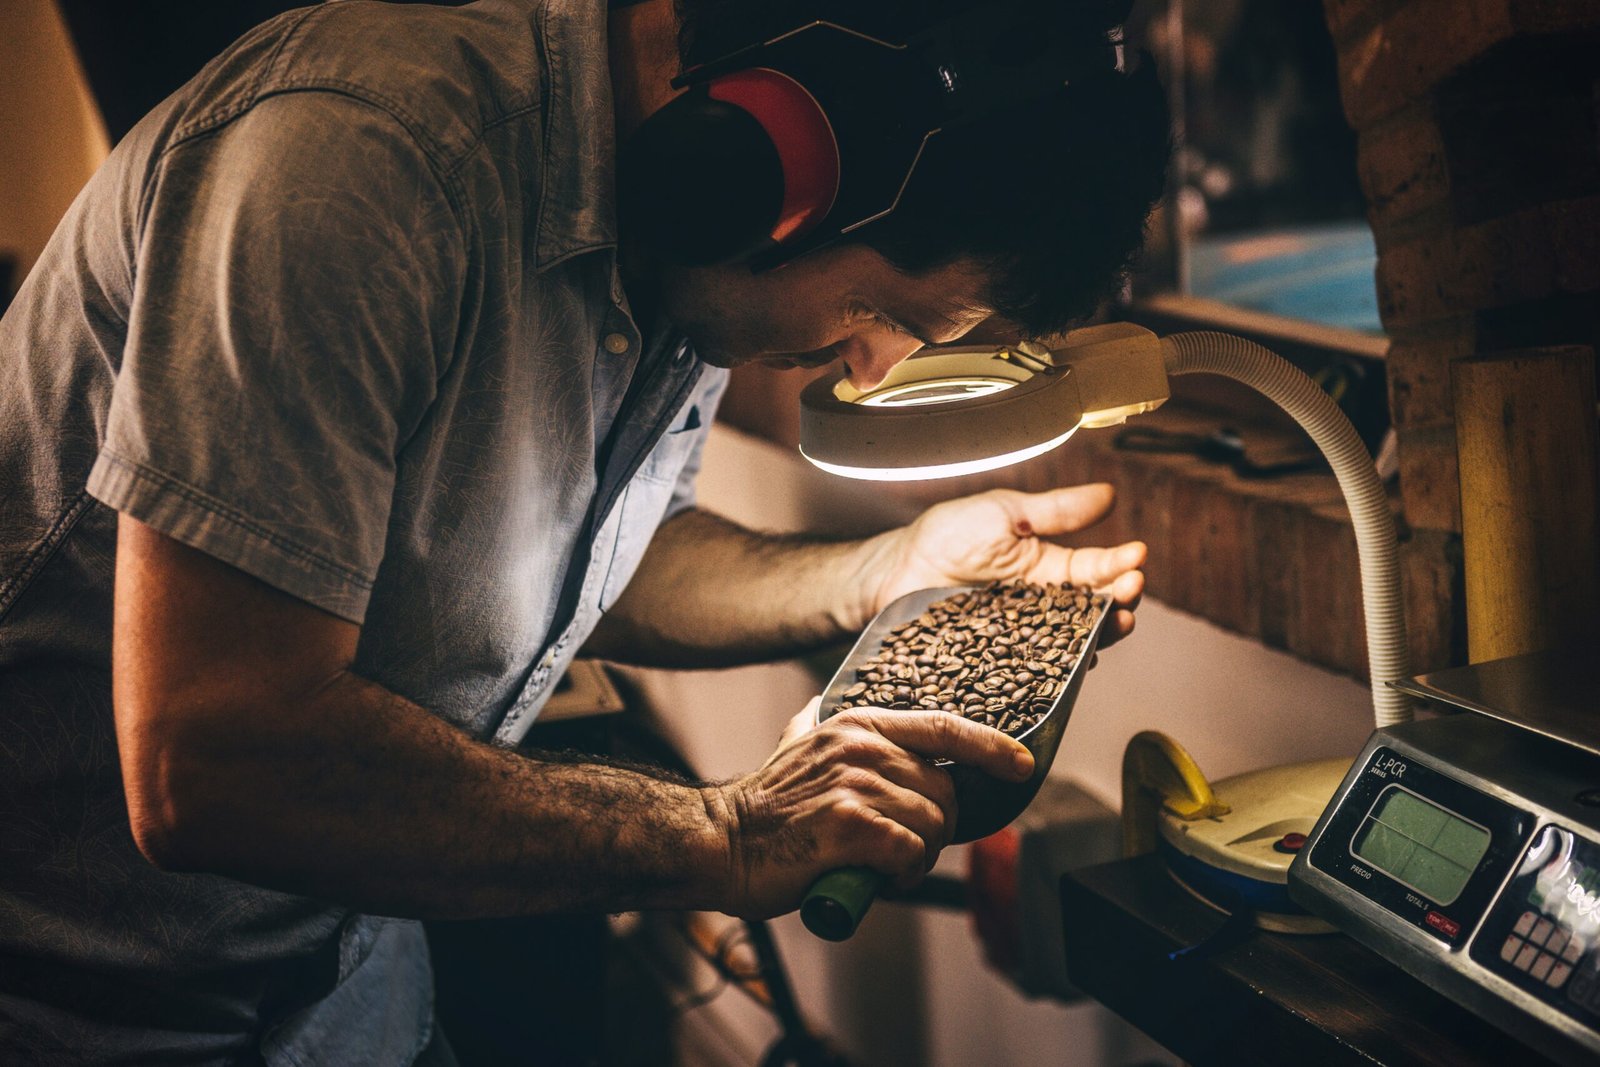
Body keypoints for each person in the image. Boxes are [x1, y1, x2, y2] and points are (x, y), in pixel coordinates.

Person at [0, 0, 1170, 1062]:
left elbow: (594, 562)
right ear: (774, 152)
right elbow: (214, 757)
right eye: (876, 309)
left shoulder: (684, 253)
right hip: (71, 1007)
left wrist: (888, 569)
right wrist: (724, 831)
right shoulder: (352, 160)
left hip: (340, 991)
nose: (869, 365)